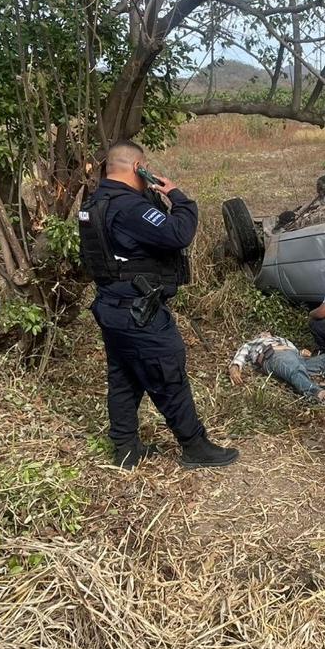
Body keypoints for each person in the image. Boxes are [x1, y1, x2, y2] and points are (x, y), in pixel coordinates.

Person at [80, 140, 239, 470]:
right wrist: (177, 196)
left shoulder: (94, 202)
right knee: (168, 375)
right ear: (138, 167)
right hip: (139, 312)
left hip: (112, 305)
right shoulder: (129, 207)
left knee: (124, 377)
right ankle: (195, 446)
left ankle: (125, 449)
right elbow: (178, 233)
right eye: (144, 166)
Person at [228, 332, 325, 402]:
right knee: (294, 368)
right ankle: (319, 394)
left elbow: (294, 353)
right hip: (274, 356)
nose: (265, 333)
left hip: (297, 358)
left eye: (267, 332)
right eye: (262, 333)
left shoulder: (283, 340)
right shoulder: (256, 342)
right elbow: (242, 352)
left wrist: (302, 352)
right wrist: (235, 366)